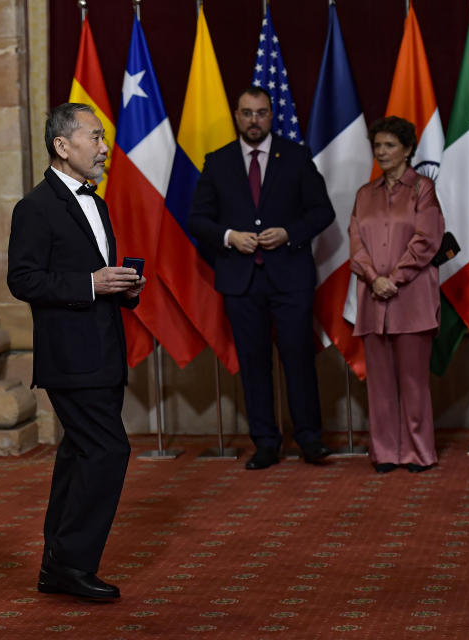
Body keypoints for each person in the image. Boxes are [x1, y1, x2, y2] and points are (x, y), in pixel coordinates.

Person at [7, 103, 145, 600]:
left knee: (80, 454)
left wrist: (122, 287)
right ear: (63, 146)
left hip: (105, 350)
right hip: (70, 358)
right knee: (109, 450)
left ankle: (57, 563)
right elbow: (21, 279)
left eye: (104, 138)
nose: (105, 148)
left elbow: (95, 278)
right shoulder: (35, 207)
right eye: (95, 137)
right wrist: (89, 283)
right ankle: (73, 564)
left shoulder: (98, 202)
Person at [188, 87, 335, 470]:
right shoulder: (217, 162)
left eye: (262, 113)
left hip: (290, 278)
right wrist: (228, 237)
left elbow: (322, 212)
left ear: (273, 116)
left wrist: (289, 232)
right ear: (236, 116)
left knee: (298, 359)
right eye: (247, 113)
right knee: (253, 364)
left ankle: (309, 439)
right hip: (241, 281)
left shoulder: (297, 157)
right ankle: (266, 443)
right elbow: (198, 220)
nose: (255, 120)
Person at [348, 116, 444, 474]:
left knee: (414, 381)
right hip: (374, 300)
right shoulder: (364, 194)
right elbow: (355, 242)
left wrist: (394, 278)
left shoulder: (423, 189)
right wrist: (374, 278)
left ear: (407, 150)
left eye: (390, 146)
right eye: (378, 146)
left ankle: (419, 453)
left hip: (412, 299)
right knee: (380, 384)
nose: (382, 152)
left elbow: (428, 240)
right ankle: (386, 452)